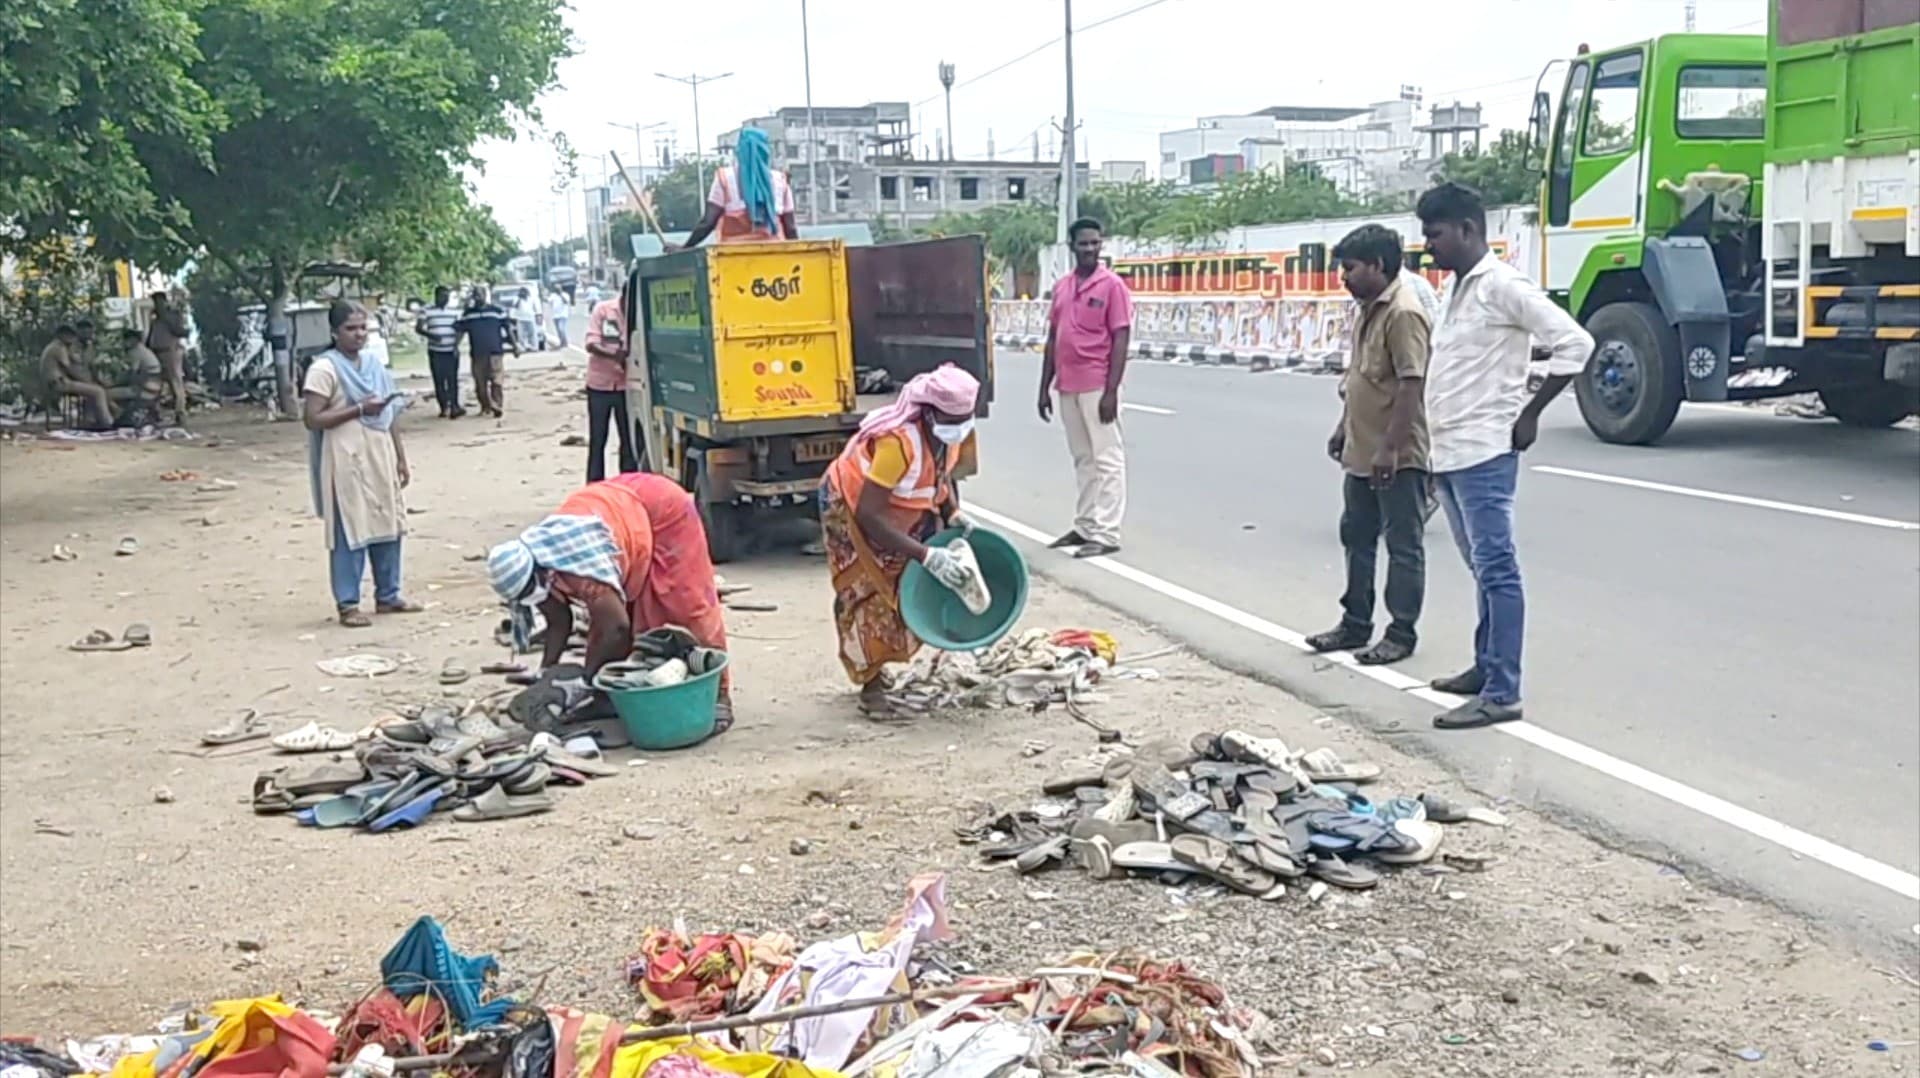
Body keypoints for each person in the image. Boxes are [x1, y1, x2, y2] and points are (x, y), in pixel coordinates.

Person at [1417, 181, 1592, 729]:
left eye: (1435, 234)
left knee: (1497, 570)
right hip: (1449, 450)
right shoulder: (1454, 290)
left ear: (1468, 229)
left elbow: (1576, 344)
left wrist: (1531, 412)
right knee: (1480, 568)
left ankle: (1503, 692)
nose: (1429, 246)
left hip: (1486, 451)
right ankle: (1486, 666)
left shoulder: (1503, 286)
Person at [486, 472, 733, 732]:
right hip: (618, 508)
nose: (532, 598)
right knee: (606, 623)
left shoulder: (579, 569)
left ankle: (718, 697)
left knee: (685, 605)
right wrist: (545, 672)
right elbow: (558, 619)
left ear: (538, 571)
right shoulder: (537, 567)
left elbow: (617, 627)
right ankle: (607, 697)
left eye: (529, 590)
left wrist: (584, 682)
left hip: (662, 508)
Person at [818, 364, 983, 711]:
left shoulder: (951, 434)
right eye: (951, 421)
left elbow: (942, 474)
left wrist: (952, 511)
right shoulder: (897, 443)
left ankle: (880, 666)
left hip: (896, 510)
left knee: (900, 585)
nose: (959, 427)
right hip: (851, 507)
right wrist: (925, 555)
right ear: (929, 413)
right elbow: (868, 515)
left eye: (964, 419)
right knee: (867, 590)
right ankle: (871, 685)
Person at [1307, 224, 1432, 666]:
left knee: (1402, 544)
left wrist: (1391, 449)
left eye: (1351, 268)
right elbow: (1362, 378)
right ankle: (1355, 622)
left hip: (1395, 453)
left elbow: (1411, 384)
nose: (1343, 276)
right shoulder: (1367, 309)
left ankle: (1400, 632)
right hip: (1362, 448)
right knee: (1356, 536)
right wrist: (1344, 427)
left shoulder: (1403, 312)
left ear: (1378, 265)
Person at [302, 300, 423, 628]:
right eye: (350, 329)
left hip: (378, 454)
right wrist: (357, 410)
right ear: (334, 332)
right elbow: (312, 418)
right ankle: (348, 603)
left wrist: (400, 457)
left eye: (362, 328)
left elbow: (389, 413)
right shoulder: (324, 369)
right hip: (345, 459)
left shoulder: (374, 364)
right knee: (350, 527)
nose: (358, 335)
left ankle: (388, 594)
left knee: (388, 521)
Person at [1038, 217, 1133, 559]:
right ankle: (1085, 524)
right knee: (1083, 458)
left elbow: (1121, 337)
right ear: (1072, 246)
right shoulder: (1063, 287)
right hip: (1067, 383)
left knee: (1107, 458)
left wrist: (1111, 390)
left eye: (1095, 243)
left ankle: (1106, 532)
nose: (1090, 249)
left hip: (1097, 383)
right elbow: (1053, 338)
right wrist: (1044, 387)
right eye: (1084, 243)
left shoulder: (1112, 286)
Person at [678, 128, 799, 247]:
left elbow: (708, 223)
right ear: (766, 151)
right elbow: (791, 228)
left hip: (732, 254)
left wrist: (685, 248)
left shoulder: (724, 178)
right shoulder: (780, 181)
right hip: (775, 253)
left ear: (740, 150)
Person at [583, 285, 638, 482]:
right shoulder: (604, 311)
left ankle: (627, 483)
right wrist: (616, 356)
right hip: (600, 385)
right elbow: (591, 344)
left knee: (628, 439)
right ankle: (595, 483)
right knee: (598, 438)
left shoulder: (638, 315)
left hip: (627, 386)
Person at [40, 324, 115, 427]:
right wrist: (88, 382)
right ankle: (108, 423)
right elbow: (70, 369)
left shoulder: (54, 346)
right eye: (68, 335)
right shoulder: (59, 348)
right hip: (59, 383)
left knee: (92, 391)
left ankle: (90, 421)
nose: (71, 338)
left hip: (56, 383)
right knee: (98, 391)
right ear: (61, 335)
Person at [456, 287, 515, 418]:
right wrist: (455, 346)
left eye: (480, 295)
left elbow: (508, 328)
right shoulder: (468, 314)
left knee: (497, 380)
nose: (478, 297)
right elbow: (460, 331)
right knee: (480, 383)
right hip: (478, 353)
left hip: (495, 351)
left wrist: (515, 345)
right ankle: (486, 407)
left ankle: (497, 405)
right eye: (475, 295)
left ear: (485, 295)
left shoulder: (497, 311)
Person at [416, 286, 465, 418]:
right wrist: (432, 335)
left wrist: (456, 345)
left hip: (451, 350)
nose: (445, 299)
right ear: (436, 296)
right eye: (443, 296)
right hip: (435, 351)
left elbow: (460, 329)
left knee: (452, 379)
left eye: (447, 296)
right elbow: (418, 328)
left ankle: (454, 405)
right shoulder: (426, 310)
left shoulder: (454, 311)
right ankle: (444, 407)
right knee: (439, 380)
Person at [146, 291, 191, 424]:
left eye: (159, 302)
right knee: (157, 384)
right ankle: (155, 413)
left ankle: (180, 413)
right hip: (156, 352)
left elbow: (180, 331)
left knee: (175, 382)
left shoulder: (172, 316)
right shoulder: (154, 319)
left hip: (170, 351)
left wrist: (166, 318)